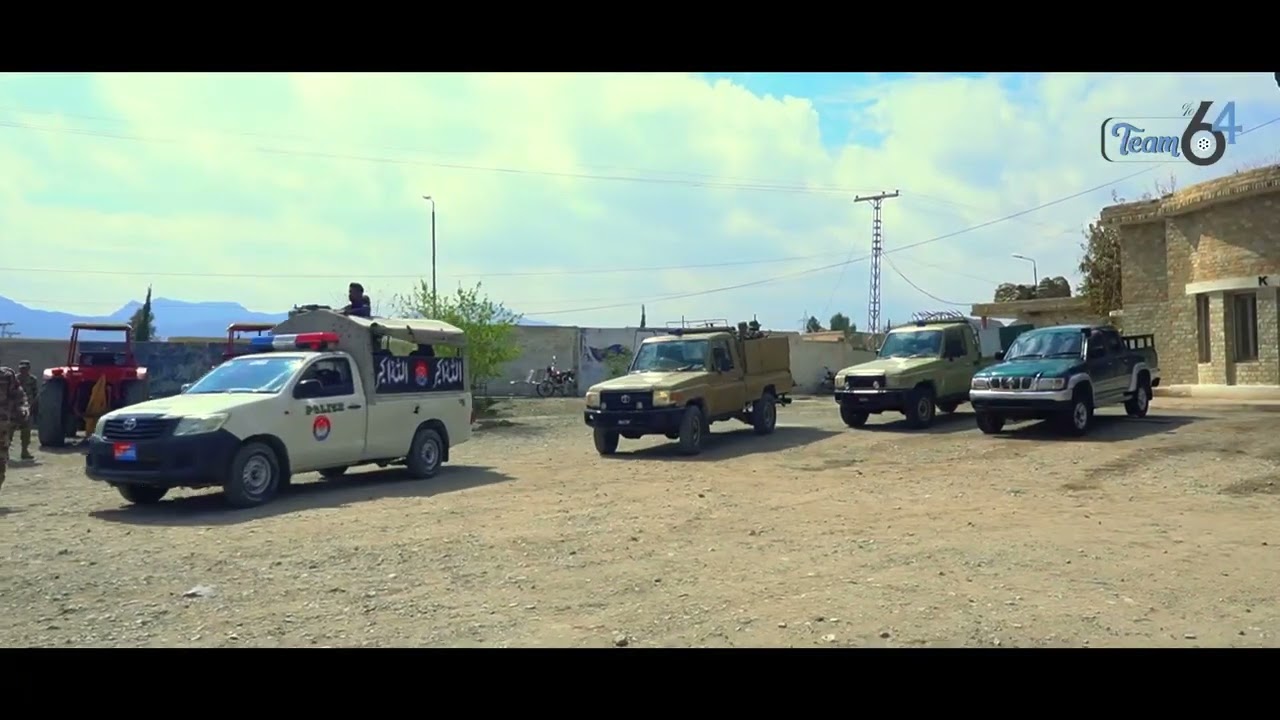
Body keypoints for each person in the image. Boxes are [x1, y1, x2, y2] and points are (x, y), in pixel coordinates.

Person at [0, 364, 30, 493]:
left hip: (1, 428)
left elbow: (20, 396)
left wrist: (22, 410)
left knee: (1, 464)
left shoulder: (6, 375)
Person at [13, 360, 37, 461]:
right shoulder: (13, 379)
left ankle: (24, 451)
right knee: (9, 431)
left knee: (26, 431)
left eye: (25, 368)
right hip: (13, 408)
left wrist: (34, 406)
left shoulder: (32, 379)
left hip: (26, 408)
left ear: (28, 369)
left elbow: (35, 393)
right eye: (21, 368)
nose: (23, 370)